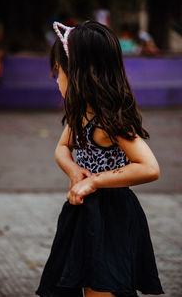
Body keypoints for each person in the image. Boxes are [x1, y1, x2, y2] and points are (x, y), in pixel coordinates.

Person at [35, 21, 165, 297]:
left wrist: (94, 182)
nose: (56, 79)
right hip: (84, 214)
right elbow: (61, 148)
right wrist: (72, 170)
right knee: (81, 282)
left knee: (102, 287)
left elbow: (149, 167)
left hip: (110, 216)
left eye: (58, 72)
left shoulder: (109, 121)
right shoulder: (80, 114)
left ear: (78, 74)